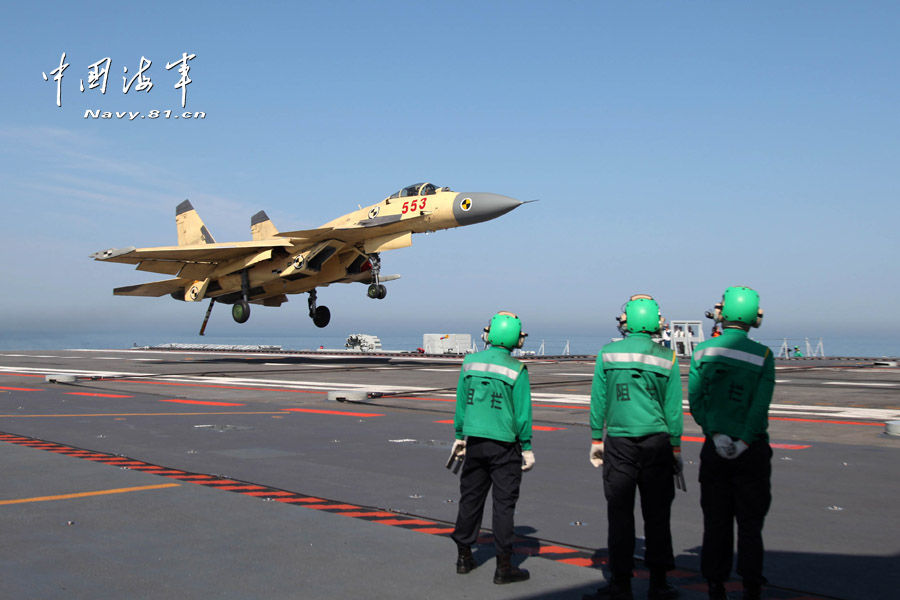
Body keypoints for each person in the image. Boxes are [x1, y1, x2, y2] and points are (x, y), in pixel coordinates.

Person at [585, 294, 683, 600]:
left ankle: (620, 583)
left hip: (618, 442)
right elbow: (674, 409)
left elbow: (598, 399)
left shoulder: (608, 353)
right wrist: (676, 448)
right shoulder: (667, 357)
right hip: (657, 442)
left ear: (627, 320)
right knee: (657, 515)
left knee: (620, 513)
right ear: (656, 321)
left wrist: (595, 438)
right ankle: (658, 583)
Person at [689, 286, 774, 600]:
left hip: (715, 447)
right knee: (751, 524)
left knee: (716, 521)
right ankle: (752, 585)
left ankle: (715, 584)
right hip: (752, 451)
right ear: (754, 316)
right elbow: (760, 407)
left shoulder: (702, 352)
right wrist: (745, 441)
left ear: (722, 314)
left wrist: (716, 433)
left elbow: (697, 401)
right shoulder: (763, 355)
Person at [450, 311, 534, 585]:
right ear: (515, 338)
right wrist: (528, 446)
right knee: (503, 505)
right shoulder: (516, 369)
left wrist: (460, 435)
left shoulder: (470, 362)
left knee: (470, 499)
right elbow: (523, 414)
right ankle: (504, 566)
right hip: (505, 446)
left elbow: (462, 402)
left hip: (474, 443)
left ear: (489, 334)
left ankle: (463, 557)